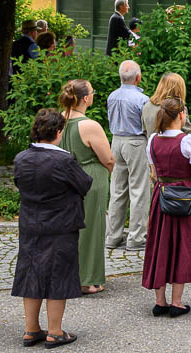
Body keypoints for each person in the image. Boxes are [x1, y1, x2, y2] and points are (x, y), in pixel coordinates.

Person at [12, 108, 92, 348]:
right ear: (58, 132)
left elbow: (19, 183)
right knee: (58, 275)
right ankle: (55, 331)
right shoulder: (64, 160)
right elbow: (84, 184)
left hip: (30, 222)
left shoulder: (21, 158)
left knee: (31, 272)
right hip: (60, 223)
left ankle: (31, 329)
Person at [52, 79, 114, 295]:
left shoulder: (57, 120)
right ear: (86, 98)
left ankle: (66, 274)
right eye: (92, 92)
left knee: (67, 228)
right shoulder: (89, 125)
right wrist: (110, 171)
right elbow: (108, 158)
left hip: (64, 178)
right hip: (89, 179)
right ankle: (88, 280)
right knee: (91, 229)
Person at [142, 96, 191, 317]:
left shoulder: (153, 140)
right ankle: (177, 302)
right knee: (182, 245)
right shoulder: (188, 141)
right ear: (181, 115)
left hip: (161, 196)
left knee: (161, 244)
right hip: (184, 197)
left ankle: (160, 301)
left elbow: (154, 174)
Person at [105, 60, 152, 251]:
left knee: (117, 190)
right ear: (138, 78)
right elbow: (147, 126)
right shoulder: (142, 99)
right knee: (139, 190)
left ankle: (113, 236)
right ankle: (136, 238)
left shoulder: (112, 96)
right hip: (135, 142)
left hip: (116, 141)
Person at [141, 72, 191, 141]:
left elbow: (144, 131)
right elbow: (188, 133)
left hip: (152, 146)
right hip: (173, 147)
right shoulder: (178, 108)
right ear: (180, 90)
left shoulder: (147, 106)